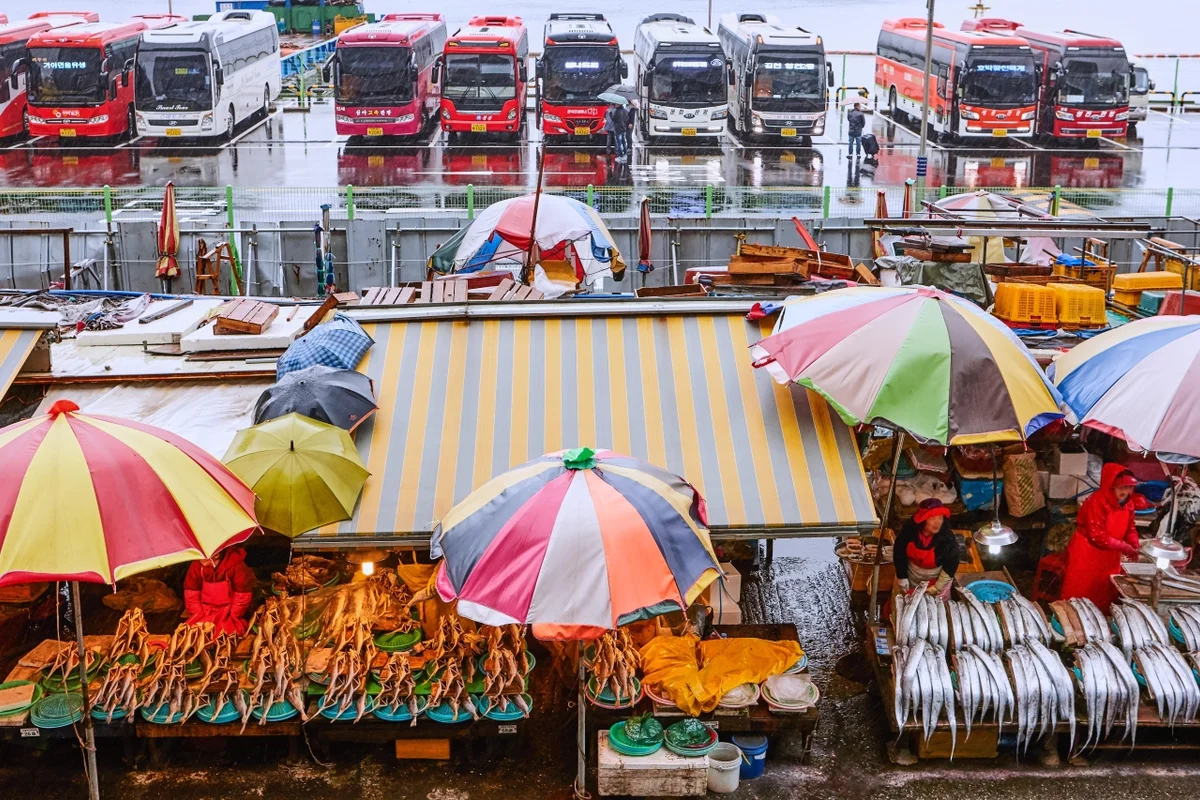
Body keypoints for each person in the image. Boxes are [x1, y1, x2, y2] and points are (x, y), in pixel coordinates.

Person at [1060, 464, 1143, 612]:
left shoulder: (1128, 504)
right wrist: (1124, 547)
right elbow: (1097, 536)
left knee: (1103, 593)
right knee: (1079, 594)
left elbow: (1130, 527)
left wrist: (1133, 542)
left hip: (1110, 556)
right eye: (1121, 488)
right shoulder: (1097, 502)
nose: (1126, 491)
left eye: (1129, 487)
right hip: (1087, 554)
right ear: (1111, 486)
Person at [893, 499, 960, 600]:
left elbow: (952, 563)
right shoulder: (908, 532)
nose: (937, 523)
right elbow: (899, 553)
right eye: (933, 518)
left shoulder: (947, 539)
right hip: (911, 575)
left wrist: (937, 587)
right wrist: (901, 576)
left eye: (940, 518)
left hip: (937, 579)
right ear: (923, 520)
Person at [183, 546, 255, 635]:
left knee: (228, 633)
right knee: (193, 633)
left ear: (216, 555)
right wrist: (198, 613)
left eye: (203, 556)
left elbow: (242, 594)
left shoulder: (236, 565)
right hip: (204, 610)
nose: (199, 559)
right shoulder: (197, 565)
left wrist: (233, 615)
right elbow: (191, 592)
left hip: (228, 611)